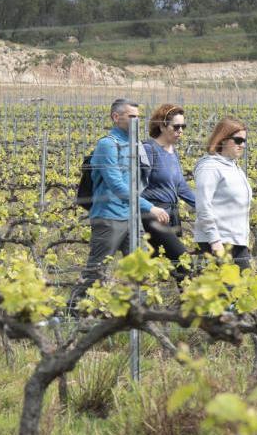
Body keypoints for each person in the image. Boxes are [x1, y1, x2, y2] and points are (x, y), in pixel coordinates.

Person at [68, 98, 168, 309]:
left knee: (139, 266)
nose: (137, 121)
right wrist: (149, 207)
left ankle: (138, 312)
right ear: (116, 117)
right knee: (97, 270)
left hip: (131, 217)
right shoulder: (107, 145)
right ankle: (72, 308)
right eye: (132, 117)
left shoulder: (135, 145)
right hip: (109, 217)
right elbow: (117, 186)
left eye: (139, 117)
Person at [140, 104, 195, 276]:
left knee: (170, 268)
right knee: (184, 262)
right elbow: (134, 187)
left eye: (183, 127)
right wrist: (150, 208)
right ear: (162, 126)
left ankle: (181, 301)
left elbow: (180, 186)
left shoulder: (173, 152)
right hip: (153, 216)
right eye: (176, 127)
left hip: (171, 215)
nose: (181, 131)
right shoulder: (148, 150)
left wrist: (202, 206)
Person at [193, 117, 253, 269]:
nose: (243, 145)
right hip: (218, 243)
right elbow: (203, 206)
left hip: (236, 242)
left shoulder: (233, 167)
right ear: (223, 139)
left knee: (244, 289)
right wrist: (214, 240)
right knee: (225, 290)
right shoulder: (210, 167)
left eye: (245, 141)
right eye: (238, 140)